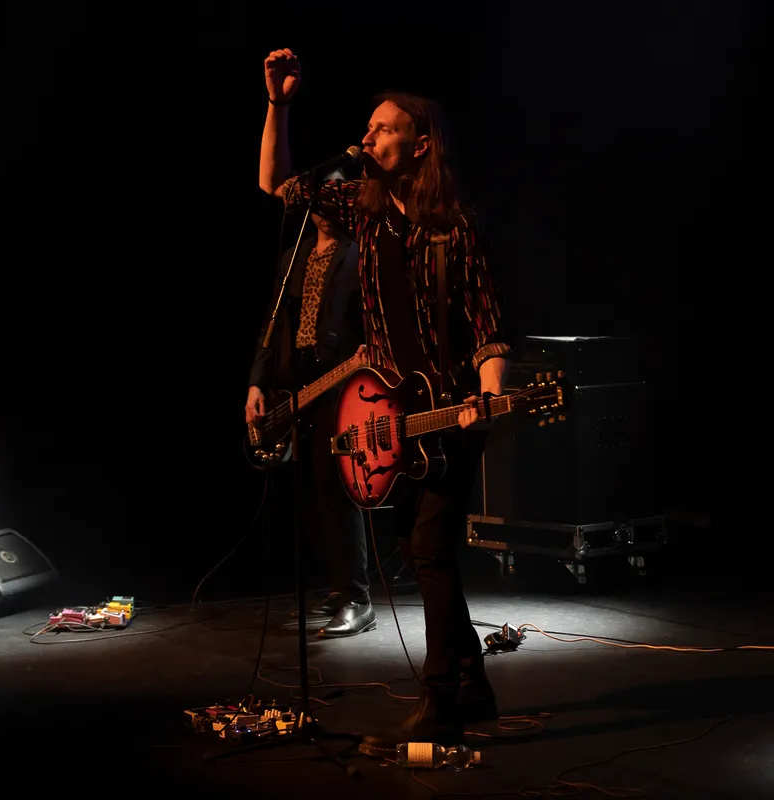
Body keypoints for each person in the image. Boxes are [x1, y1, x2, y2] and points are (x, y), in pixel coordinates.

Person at [258, 48, 513, 744]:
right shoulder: (363, 210)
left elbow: (489, 330)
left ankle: (441, 694)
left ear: (420, 144)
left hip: (451, 410)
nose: (367, 137)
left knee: (428, 545)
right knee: (419, 547)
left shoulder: (456, 228)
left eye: (384, 128)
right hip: (396, 412)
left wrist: (488, 400)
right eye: (367, 127)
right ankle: (474, 685)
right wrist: (279, 105)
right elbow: (275, 184)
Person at [245, 208, 376, 639]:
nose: (324, 211)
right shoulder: (293, 258)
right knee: (309, 492)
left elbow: (373, 317)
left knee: (336, 485)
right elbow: (271, 324)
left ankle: (359, 598)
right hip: (294, 386)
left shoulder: (359, 253)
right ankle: (339, 587)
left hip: (340, 383)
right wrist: (257, 383)